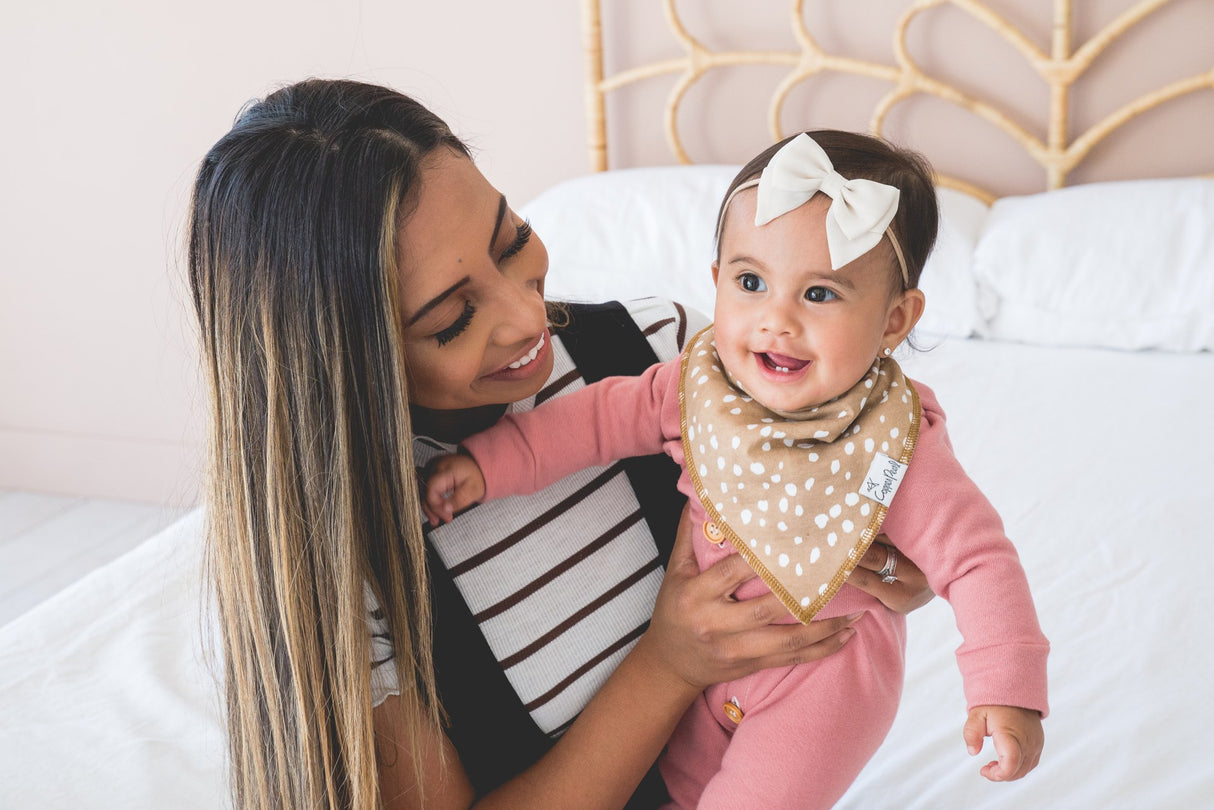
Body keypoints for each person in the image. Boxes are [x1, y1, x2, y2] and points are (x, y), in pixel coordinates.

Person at [187, 79, 934, 810]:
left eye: (511, 242)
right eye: (452, 318)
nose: (524, 317)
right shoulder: (341, 561)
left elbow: (890, 514)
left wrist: (903, 567)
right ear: (347, 360)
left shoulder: (660, 355)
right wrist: (668, 664)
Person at [424, 131, 1050, 808]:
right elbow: (595, 420)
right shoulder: (697, 384)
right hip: (705, 677)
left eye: (820, 295)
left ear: (894, 319)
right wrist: (487, 466)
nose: (776, 320)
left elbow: (977, 560)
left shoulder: (896, 442)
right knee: (683, 788)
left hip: (822, 669)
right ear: (715, 279)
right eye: (751, 282)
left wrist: (1005, 689)